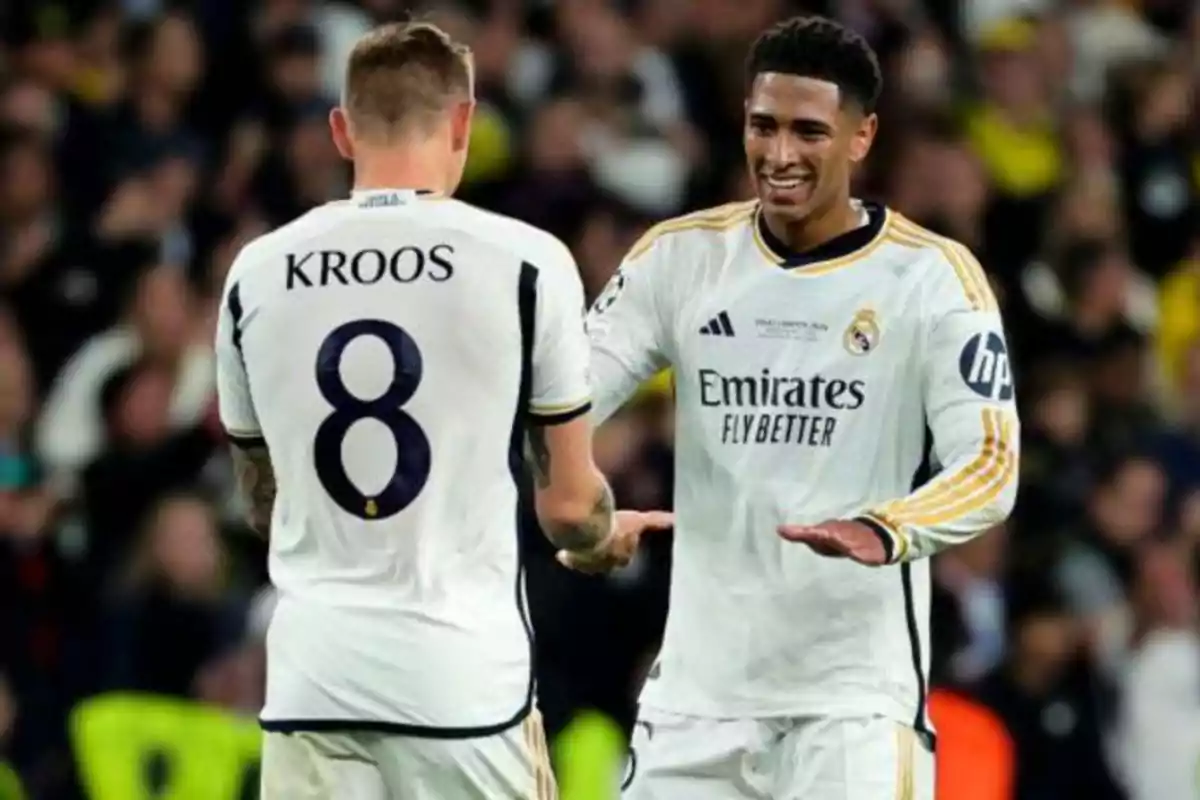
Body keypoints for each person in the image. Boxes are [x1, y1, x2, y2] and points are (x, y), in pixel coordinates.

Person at [213, 21, 670, 799]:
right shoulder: (525, 263)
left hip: (311, 686)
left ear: (341, 130)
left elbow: (264, 496)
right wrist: (600, 537)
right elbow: (566, 507)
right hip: (462, 689)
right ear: (463, 121)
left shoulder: (255, 273)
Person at [580, 15, 1020, 800]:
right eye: (764, 126)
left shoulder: (931, 279)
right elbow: (562, 405)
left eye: (810, 131)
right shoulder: (681, 259)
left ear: (862, 136)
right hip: (696, 700)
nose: (780, 155)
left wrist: (889, 528)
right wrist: (575, 514)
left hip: (851, 702)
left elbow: (990, 461)